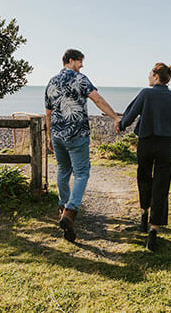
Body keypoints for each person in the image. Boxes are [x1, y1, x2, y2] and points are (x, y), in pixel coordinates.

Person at [45, 48, 121, 243]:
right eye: (80, 62)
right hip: (76, 134)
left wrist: (49, 136)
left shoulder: (51, 82)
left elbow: (48, 113)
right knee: (82, 172)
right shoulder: (80, 79)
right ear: (71, 60)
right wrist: (114, 117)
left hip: (57, 135)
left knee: (63, 170)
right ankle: (70, 211)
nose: (81, 66)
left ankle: (62, 208)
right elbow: (97, 99)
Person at [117, 63, 171, 251]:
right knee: (162, 185)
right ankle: (154, 229)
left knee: (144, 177)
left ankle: (144, 214)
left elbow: (131, 114)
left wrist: (121, 125)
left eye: (149, 74)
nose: (148, 77)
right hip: (165, 145)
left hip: (146, 142)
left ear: (155, 76)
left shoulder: (146, 93)